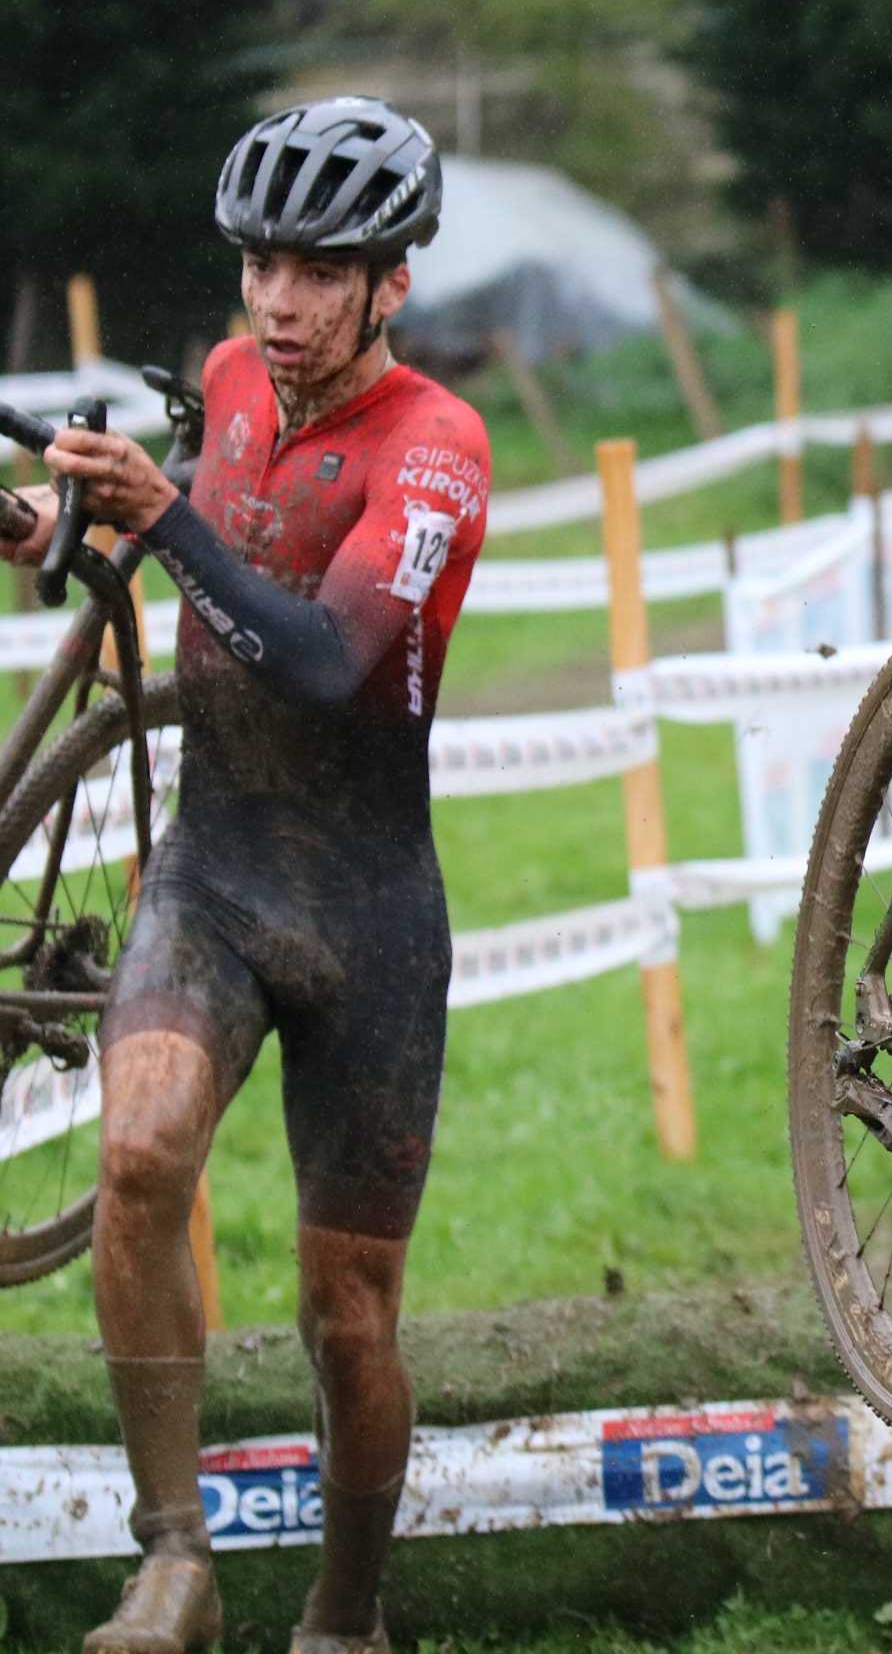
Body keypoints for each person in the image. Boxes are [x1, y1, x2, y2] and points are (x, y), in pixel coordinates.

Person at [24, 97, 491, 1654]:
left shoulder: (438, 450)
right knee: (141, 1160)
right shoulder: (225, 382)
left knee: (348, 1321)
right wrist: (60, 517)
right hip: (213, 869)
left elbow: (323, 652)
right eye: (259, 269)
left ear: (391, 284)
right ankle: (176, 1559)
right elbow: (188, 535)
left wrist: (168, 522)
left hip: (367, 910)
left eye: (317, 273)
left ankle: (345, 1619)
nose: (278, 307)